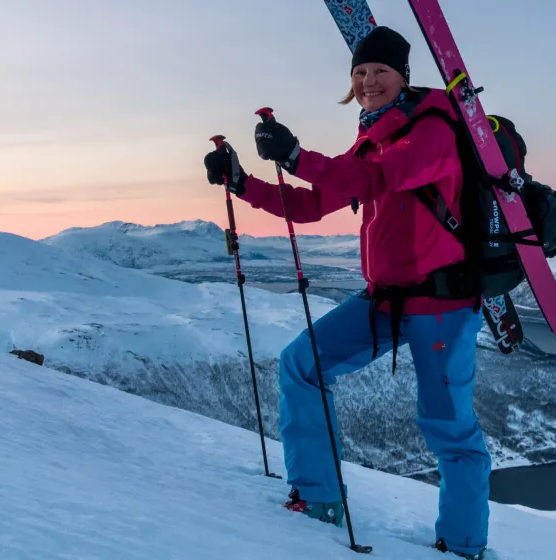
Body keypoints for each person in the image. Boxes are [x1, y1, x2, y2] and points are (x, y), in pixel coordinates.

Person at [203, 25, 490, 559]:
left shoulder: (434, 130)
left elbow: (375, 181)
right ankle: (318, 502)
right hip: (384, 297)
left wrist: (295, 157)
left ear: (403, 76)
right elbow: (315, 205)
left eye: (379, 70)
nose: (368, 80)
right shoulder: (371, 138)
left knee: (449, 428)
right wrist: (243, 183)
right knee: (301, 365)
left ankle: (464, 546)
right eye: (359, 72)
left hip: (443, 304)